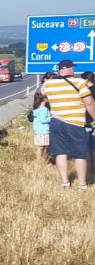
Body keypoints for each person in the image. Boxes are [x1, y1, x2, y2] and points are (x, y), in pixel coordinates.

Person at [40, 59, 95, 188]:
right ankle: (82, 184)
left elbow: (44, 97)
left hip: (55, 121)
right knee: (80, 153)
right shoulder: (80, 82)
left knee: (60, 153)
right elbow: (89, 102)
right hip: (75, 121)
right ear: (70, 69)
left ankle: (65, 182)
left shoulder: (48, 85)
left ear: (59, 69)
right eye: (73, 68)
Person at [30, 90, 51, 162]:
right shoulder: (44, 110)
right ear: (44, 99)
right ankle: (41, 160)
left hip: (38, 130)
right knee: (44, 147)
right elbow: (43, 120)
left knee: (40, 147)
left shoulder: (36, 110)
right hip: (44, 130)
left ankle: (39, 160)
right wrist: (52, 118)